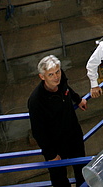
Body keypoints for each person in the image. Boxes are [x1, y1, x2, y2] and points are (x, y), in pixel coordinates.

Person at [27, 55, 87, 187]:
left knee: (81, 170)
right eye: (51, 74)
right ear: (42, 77)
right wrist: (51, 154)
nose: (56, 77)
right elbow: (38, 131)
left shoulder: (60, 80)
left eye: (58, 72)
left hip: (73, 136)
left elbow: (67, 88)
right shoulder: (36, 101)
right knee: (59, 178)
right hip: (55, 144)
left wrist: (77, 99)